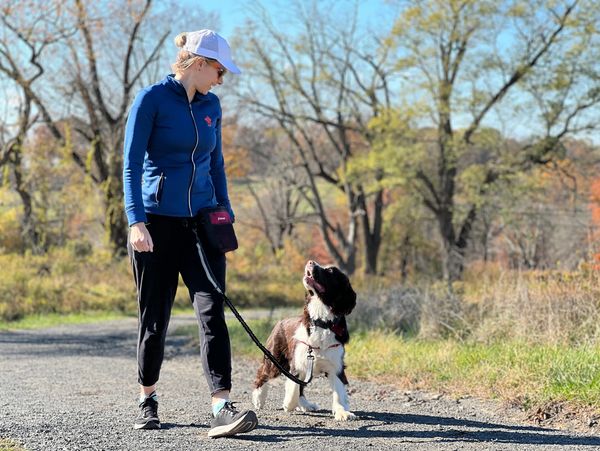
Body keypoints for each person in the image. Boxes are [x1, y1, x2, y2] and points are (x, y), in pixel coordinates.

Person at [122, 29, 258, 439]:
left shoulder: (212, 105)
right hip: (156, 226)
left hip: (201, 225)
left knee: (212, 310)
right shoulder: (151, 100)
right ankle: (148, 398)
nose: (221, 79)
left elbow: (216, 165)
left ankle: (221, 405)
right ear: (198, 64)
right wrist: (135, 221)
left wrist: (225, 214)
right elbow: (130, 164)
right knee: (155, 318)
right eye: (219, 71)